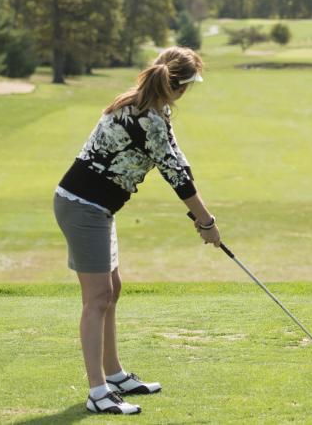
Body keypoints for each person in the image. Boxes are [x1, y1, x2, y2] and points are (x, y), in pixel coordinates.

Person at [52, 46, 220, 415]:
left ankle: (114, 373)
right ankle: (98, 392)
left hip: (96, 207)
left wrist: (204, 220)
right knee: (96, 298)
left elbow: (178, 162)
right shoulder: (149, 118)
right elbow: (176, 177)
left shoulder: (148, 107)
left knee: (112, 289)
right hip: (84, 208)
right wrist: (206, 222)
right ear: (181, 87)